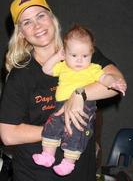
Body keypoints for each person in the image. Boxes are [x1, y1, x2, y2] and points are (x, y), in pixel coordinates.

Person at [0, 0, 126, 181]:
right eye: (27, 22)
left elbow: (116, 81)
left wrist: (79, 94)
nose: (37, 26)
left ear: (52, 18)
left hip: (83, 173)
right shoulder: (20, 76)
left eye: (41, 16)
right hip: (36, 176)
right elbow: (8, 135)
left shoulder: (78, 50)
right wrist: (59, 128)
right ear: (21, 33)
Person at [32, 25, 126, 176]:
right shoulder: (63, 66)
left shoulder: (93, 69)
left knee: (75, 132)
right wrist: (57, 57)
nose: (79, 60)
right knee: (51, 127)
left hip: (83, 107)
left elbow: (104, 77)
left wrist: (113, 82)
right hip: (61, 106)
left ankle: (69, 162)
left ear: (91, 54)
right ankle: (48, 155)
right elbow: (46, 70)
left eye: (85, 56)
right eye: (74, 55)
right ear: (65, 53)